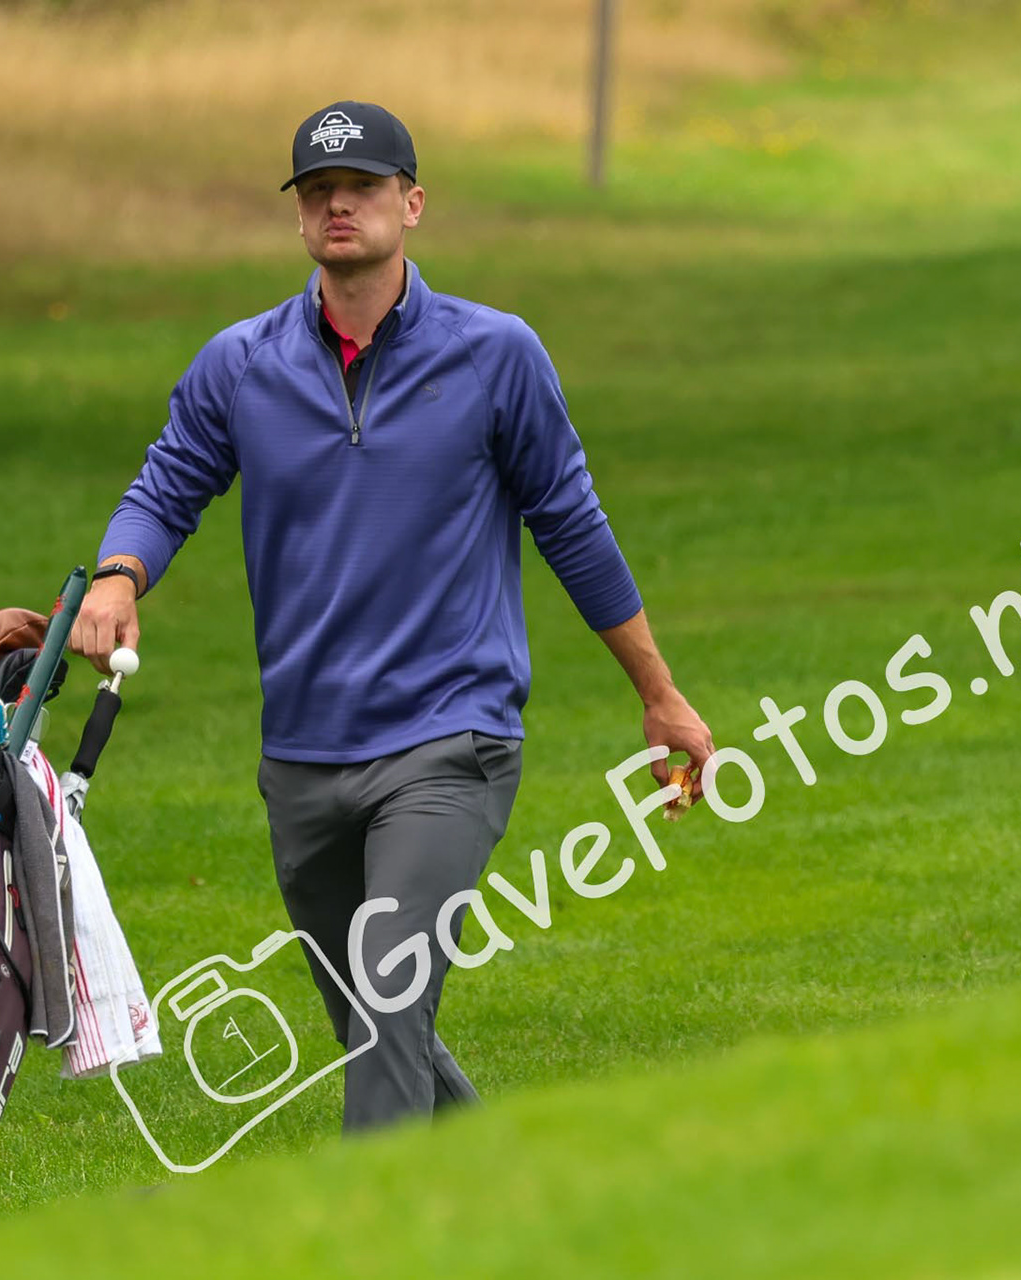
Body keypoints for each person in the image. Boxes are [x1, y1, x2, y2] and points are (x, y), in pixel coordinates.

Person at [69, 100, 714, 1134]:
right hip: (304, 754)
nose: (338, 204)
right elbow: (168, 483)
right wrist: (117, 575)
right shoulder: (240, 364)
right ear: (298, 218)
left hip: (451, 740)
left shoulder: (497, 355)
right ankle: (513, 1194)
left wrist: (660, 692)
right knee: (375, 1018)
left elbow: (574, 526)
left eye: (361, 187)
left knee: (389, 992)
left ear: (411, 205)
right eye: (318, 190)